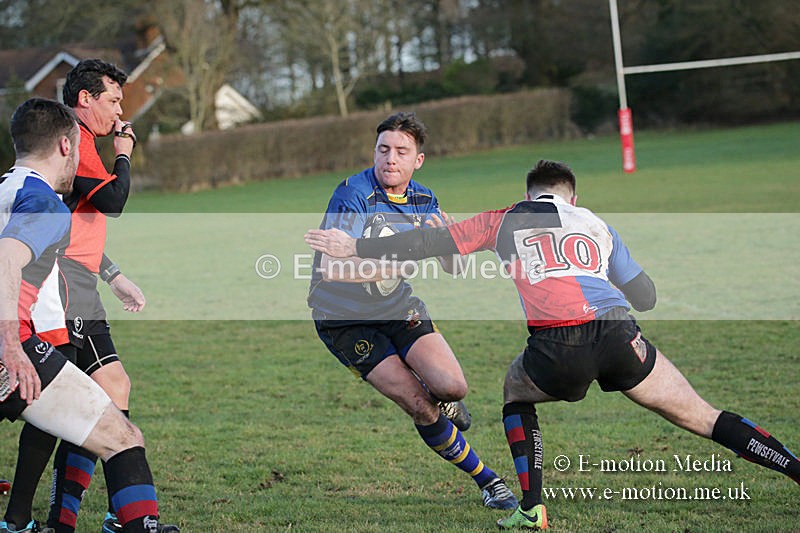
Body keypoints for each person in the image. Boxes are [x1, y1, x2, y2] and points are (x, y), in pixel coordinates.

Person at [305, 159, 800, 530]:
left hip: (557, 346)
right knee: (704, 417)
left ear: (529, 193)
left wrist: (358, 247)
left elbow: (428, 245)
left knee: (516, 395)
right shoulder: (596, 223)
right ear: (572, 197)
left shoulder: (504, 218)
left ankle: (531, 508)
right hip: (619, 335)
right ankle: (794, 469)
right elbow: (645, 297)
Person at [306, 111, 518, 510]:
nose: (390, 158)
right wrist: (397, 265)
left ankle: (445, 398)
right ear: (374, 152)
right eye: (383, 149)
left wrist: (450, 245)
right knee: (419, 403)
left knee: (453, 387)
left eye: (401, 151)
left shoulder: (424, 200)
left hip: (396, 305)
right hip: (344, 321)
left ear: (417, 160)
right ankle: (488, 481)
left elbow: (454, 266)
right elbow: (332, 269)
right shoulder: (352, 194)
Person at [2, 59, 178, 533]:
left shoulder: (14, 186)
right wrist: (124, 153)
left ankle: (35, 520)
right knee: (93, 420)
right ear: (66, 141)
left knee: (98, 395)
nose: (121, 113)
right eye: (115, 100)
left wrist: (113, 273)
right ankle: (52, 520)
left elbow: (58, 235)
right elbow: (107, 205)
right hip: (52, 299)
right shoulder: (60, 172)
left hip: (63, 289)